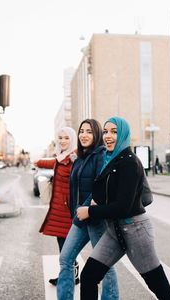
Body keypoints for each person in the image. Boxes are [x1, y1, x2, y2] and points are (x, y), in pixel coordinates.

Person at [77, 116, 170, 300]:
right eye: (106, 131)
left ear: (123, 134)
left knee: (158, 286)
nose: (108, 136)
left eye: (114, 132)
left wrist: (90, 211)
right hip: (114, 231)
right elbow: (106, 192)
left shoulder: (130, 162)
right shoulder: (111, 160)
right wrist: (97, 202)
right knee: (89, 276)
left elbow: (123, 207)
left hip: (136, 230)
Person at [57, 119, 119, 300]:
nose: (84, 135)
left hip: (96, 219)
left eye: (89, 132)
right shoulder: (80, 157)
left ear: (97, 135)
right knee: (65, 258)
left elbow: (100, 188)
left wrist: (85, 209)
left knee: (104, 264)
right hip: (80, 218)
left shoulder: (101, 155)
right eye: (81, 131)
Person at [36, 126, 79, 286]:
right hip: (59, 211)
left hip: (68, 211)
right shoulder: (62, 157)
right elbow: (50, 163)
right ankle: (70, 275)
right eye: (60, 138)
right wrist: (36, 161)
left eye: (66, 138)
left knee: (67, 249)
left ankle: (69, 278)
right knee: (64, 247)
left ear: (72, 139)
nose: (62, 141)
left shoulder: (74, 158)